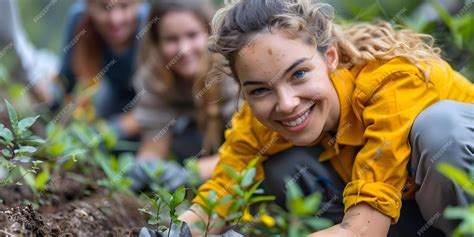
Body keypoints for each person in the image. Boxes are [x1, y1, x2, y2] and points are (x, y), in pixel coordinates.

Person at [175, 0, 474, 236]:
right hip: (406, 218)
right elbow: (225, 189)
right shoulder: (260, 117)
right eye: (260, 90)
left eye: (299, 74)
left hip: (455, 211)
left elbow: (360, 231)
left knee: (440, 129)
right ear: (244, 89)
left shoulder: (391, 82)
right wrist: (176, 233)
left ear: (330, 58)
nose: (287, 103)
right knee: (284, 167)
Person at [128, 0, 239, 192]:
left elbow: (246, 151)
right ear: (157, 42)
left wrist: (191, 173)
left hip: (235, 149)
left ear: (210, 33)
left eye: (193, 35)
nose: (183, 50)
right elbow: (154, 147)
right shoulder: (154, 76)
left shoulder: (230, 69)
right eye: (171, 39)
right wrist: (146, 168)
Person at [56, 0, 149, 140]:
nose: (115, 19)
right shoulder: (79, 19)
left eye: (124, 6)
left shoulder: (151, 24)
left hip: (151, 106)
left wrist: (107, 132)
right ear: (88, 5)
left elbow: (161, 107)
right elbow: (66, 83)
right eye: (104, 7)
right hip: (114, 96)